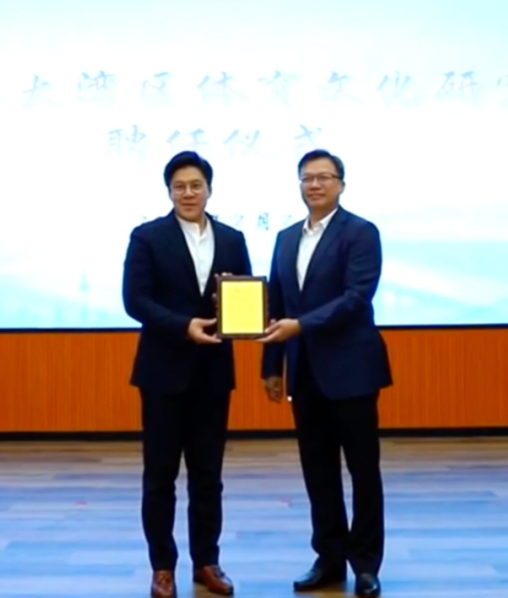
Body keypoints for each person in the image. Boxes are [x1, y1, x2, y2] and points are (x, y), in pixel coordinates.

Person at [257, 149, 392, 598]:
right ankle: (329, 559)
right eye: (307, 178)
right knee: (318, 472)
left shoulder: (361, 232)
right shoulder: (285, 238)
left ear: (341, 184)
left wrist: (300, 326)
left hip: (352, 370)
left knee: (363, 471)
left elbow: (356, 298)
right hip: (304, 372)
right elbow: (277, 304)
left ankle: (366, 565)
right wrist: (271, 365)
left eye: (324, 177)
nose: (314, 185)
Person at [122, 151, 252, 598]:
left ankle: (207, 562)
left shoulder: (232, 238)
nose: (188, 193)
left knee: (207, 475)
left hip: (213, 373)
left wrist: (239, 313)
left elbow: (244, 297)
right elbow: (135, 301)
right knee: (160, 476)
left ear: (209, 189)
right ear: (169, 191)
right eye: (179, 186)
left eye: (196, 185)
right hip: (163, 373)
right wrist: (183, 327)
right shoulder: (147, 237)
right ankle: (162, 567)